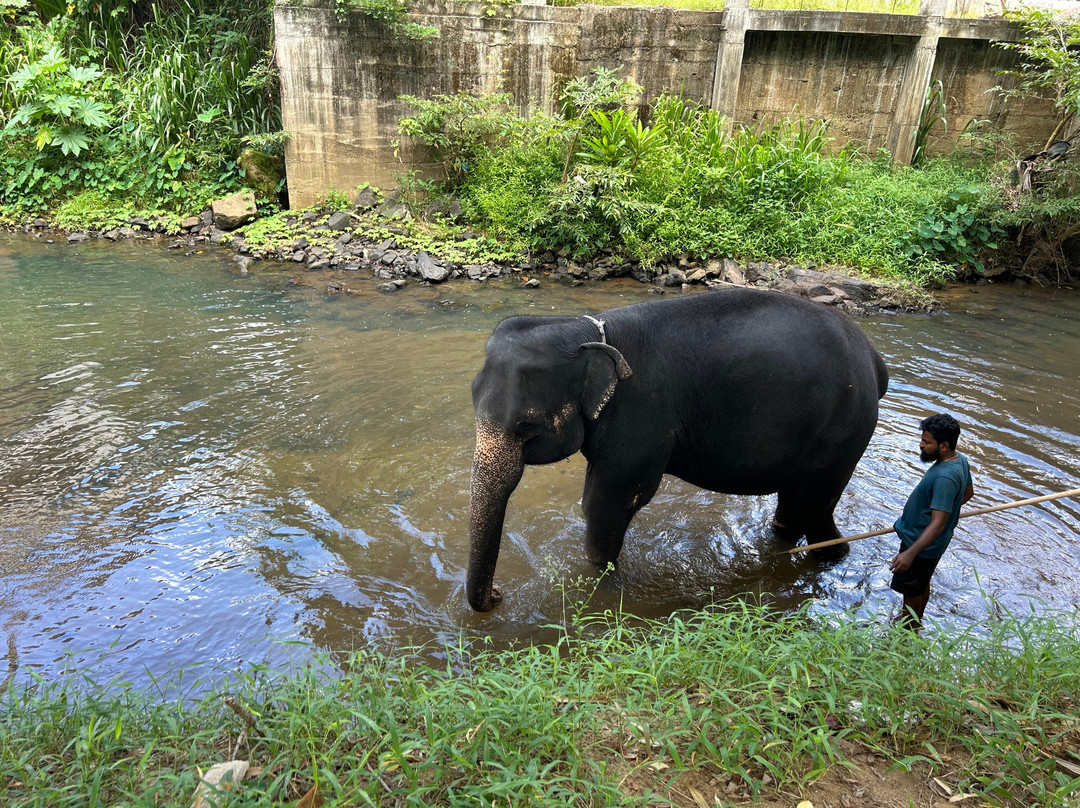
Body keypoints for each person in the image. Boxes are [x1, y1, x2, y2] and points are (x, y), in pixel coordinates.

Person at [889, 413, 974, 631]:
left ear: (944, 446)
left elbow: (937, 524)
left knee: (911, 591)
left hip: (920, 544)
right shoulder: (960, 460)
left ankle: (907, 633)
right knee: (921, 584)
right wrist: (946, 510)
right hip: (931, 542)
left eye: (927, 442)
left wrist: (910, 553)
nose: (921, 445)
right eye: (922, 439)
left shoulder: (944, 477)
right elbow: (968, 493)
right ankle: (916, 622)